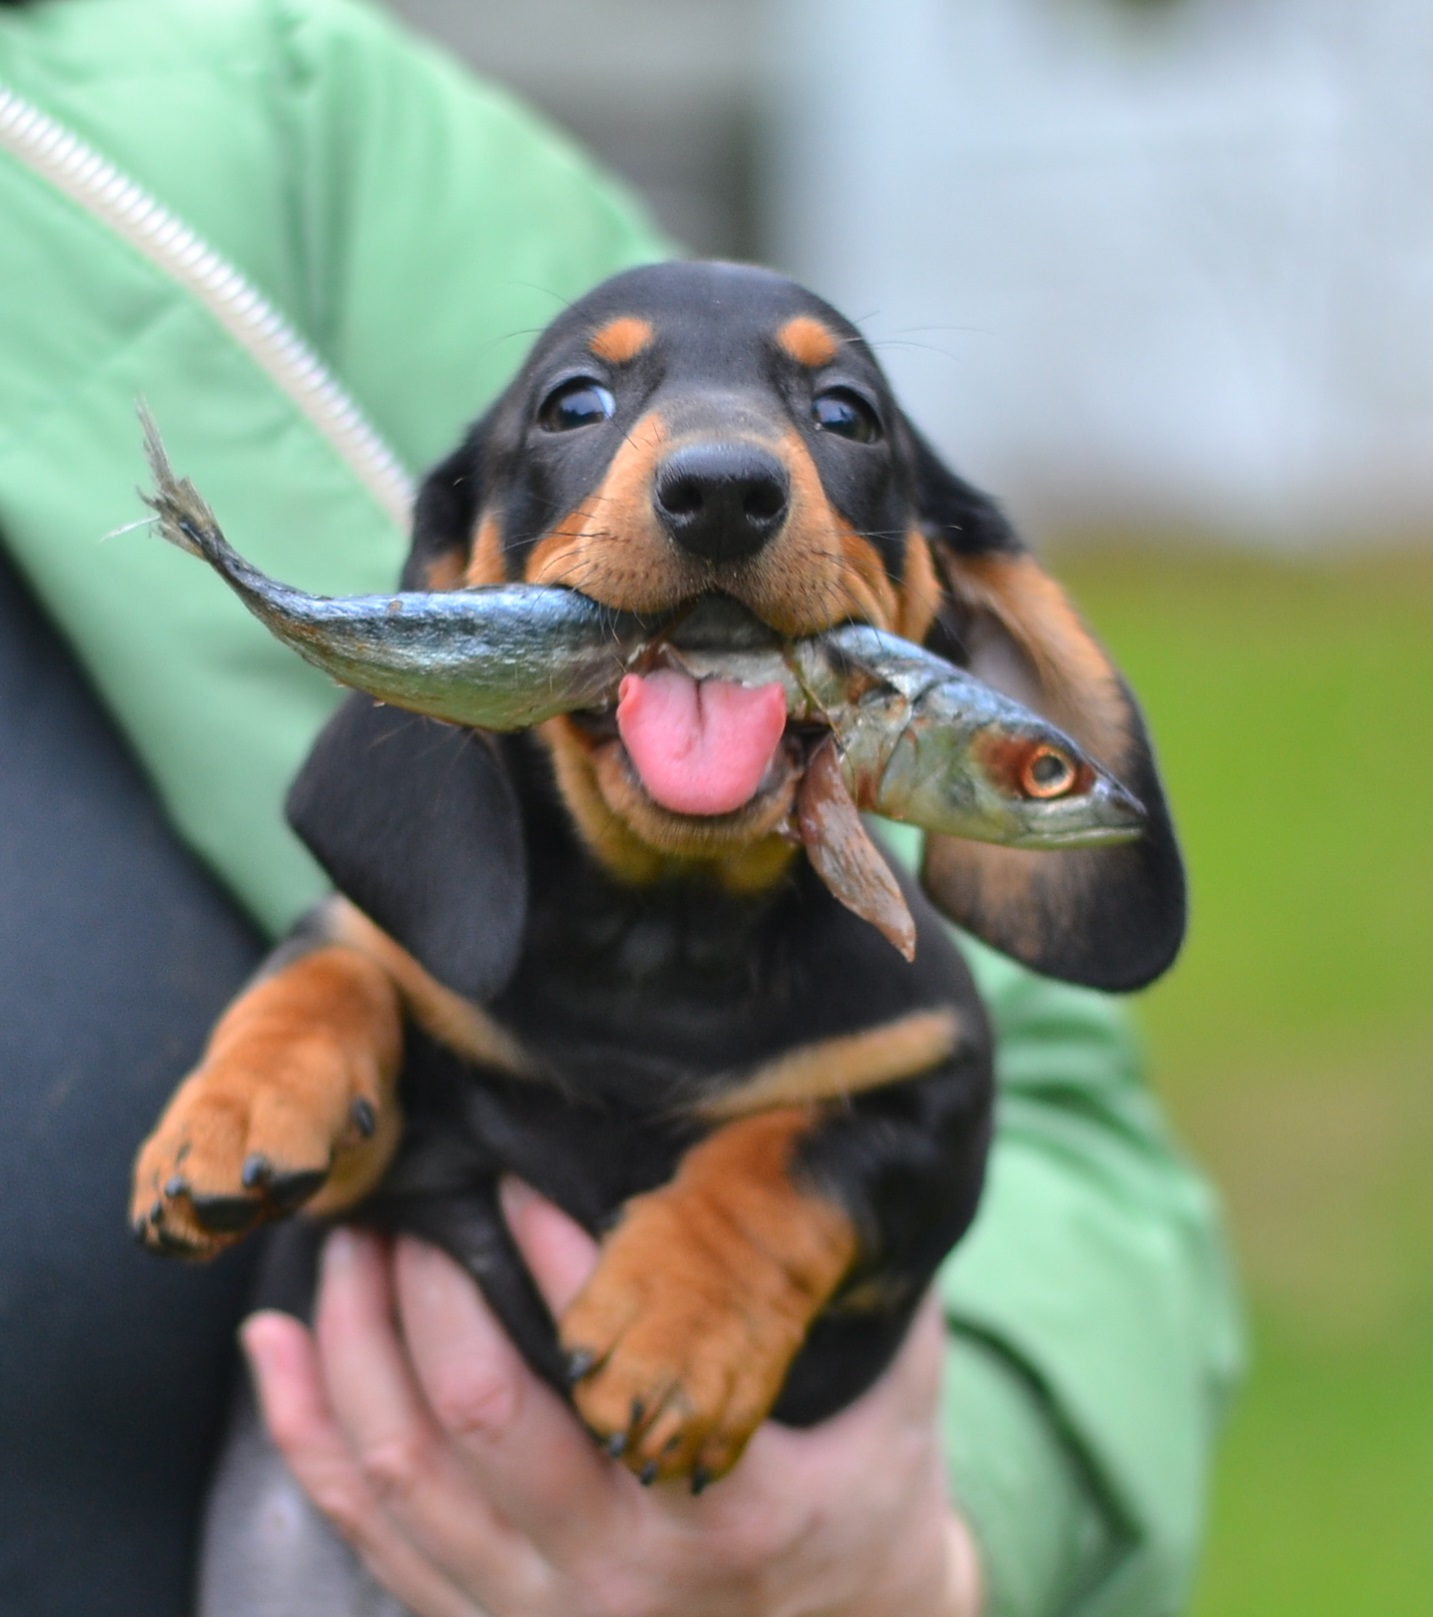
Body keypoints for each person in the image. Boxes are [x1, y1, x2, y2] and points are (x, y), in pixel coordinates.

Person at [0, 1, 1242, 1614]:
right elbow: (369, 942)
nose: (721, 468)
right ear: (464, 589)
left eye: (833, 418)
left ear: (957, 616)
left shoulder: (270, 124)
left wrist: (895, 1531)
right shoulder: (421, 919)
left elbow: (994, 1112)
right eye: (583, 410)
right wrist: (325, 1017)